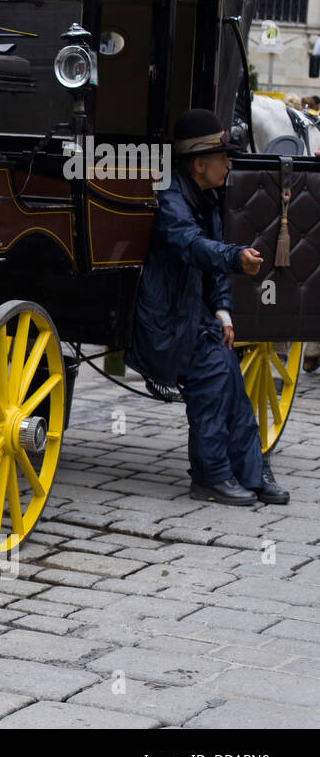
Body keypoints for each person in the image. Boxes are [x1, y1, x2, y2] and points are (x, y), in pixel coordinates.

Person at [126, 109, 289, 506]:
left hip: (188, 315)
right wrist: (235, 258)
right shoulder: (169, 195)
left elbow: (212, 265)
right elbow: (190, 244)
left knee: (227, 363)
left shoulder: (207, 197)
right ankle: (210, 475)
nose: (230, 163)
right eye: (223, 157)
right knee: (214, 367)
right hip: (160, 321)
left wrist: (223, 311)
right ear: (199, 164)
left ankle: (249, 471)